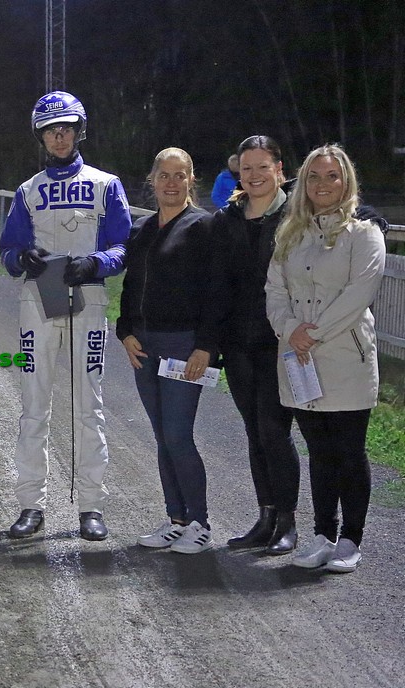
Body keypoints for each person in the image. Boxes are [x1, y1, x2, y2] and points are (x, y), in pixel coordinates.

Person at [0, 92, 132, 540]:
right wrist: (22, 258)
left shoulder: (106, 185)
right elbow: (8, 251)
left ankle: (91, 506)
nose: (59, 136)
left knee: (88, 407)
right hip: (38, 302)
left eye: (66, 128)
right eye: (51, 130)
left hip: (89, 302)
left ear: (79, 131)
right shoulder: (27, 190)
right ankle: (30, 505)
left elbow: (123, 246)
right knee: (33, 406)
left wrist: (96, 263)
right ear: (40, 136)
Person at [264, 144, 385, 573]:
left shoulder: (364, 233)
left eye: (331, 175)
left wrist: (310, 334)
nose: (322, 184)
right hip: (299, 358)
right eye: (313, 176)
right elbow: (275, 290)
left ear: (346, 180)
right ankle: (322, 534)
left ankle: (351, 538)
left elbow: (358, 294)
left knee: (349, 451)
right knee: (318, 450)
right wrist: (289, 329)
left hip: (345, 357)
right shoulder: (290, 233)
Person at [116, 148, 217, 554]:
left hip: (183, 345)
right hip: (145, 344)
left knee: (178, 435)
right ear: (153, 180)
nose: (171, 183)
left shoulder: (204, 226)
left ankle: (200, 523)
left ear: (191, 180)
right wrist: (125, 332)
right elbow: (130, 286)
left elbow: (216, 292)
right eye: (164, 175)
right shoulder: (141, 228)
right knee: (161, 436)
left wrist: (205, 347)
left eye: (180, 175)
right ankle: (176, 519)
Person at [211, 135, 303, 555]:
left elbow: (348, 212)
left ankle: (287, 521)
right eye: (246, 168)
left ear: (279, 170)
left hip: (279, 342)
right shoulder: (228, 218)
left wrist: (371, 217)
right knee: (254, 431)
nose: (254, 175)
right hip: (238, 344)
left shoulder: (296, 215)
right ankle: (265, 517)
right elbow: (216, 282)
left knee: (274, 430)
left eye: (262, 167)